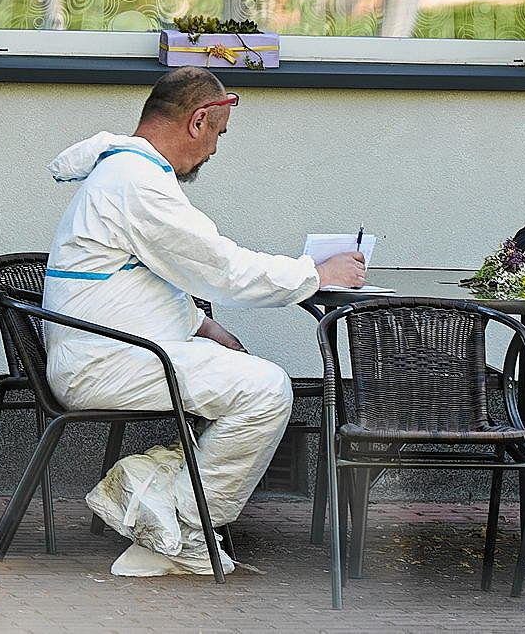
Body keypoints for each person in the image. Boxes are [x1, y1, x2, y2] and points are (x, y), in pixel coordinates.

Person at [42, 66, 367, 577]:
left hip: (114, 353)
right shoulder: (138, 184)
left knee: (250, 379)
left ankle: (155, 492)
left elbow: (137, 279)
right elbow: (220, 267)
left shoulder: (127, 174)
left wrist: (200, 324)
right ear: (198, 121)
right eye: (217, 134)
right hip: (105, 363)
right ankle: (181, 527)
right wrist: (314, 274)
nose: (215, 150)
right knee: (266, 389)